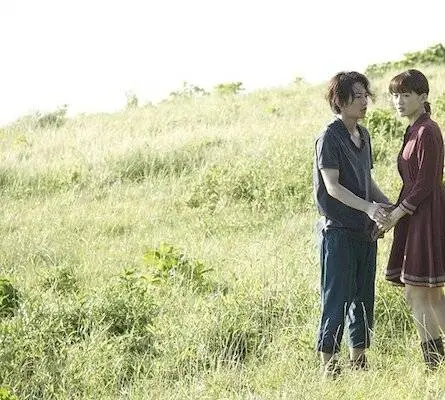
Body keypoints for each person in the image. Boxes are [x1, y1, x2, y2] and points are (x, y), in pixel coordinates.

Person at [313, 71, 392, 377]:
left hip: (365, 231)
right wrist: (369, 208)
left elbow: (367, 181)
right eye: (357, 96)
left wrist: (390, 207)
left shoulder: (364, 134)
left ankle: (359, 361)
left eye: (365, 95)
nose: (364, 101)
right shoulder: (329, 136)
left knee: (363, 299)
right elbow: (332, 187)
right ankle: (329, 366)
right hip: (338, 231)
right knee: (337, 298)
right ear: (340, 100)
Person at [380, 69, 445, 370]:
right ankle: (437, 363)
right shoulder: (414, 129)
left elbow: (426, 183)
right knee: (430, 294)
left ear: (423, 96)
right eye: (395, 95)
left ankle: (433, 363)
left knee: (418, 291)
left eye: (406, 95)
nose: (399, 101)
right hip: (416, 213)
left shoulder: (427, 130)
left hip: (426, 215)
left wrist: (396, 214)